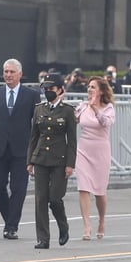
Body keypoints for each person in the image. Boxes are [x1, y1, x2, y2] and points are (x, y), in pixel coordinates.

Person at [0, 58, 41, 240]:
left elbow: (37, 124)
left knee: (18, 188)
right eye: (6, 72)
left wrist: (36, 150)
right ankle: (10, 219)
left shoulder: (31, 95)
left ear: (20, 74)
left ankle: (11, 226)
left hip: (22, 150)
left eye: (12, 72)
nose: (8, 75)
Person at [26, 73, 77, 249]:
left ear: (60, 90)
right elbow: (34, 137)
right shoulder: (39, 108)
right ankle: (43, 238)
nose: (48, 92)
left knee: (55, 198)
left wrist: (70, 164)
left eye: (51, 89)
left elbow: (72, 141)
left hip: (59, 160)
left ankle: (63, 227)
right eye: (45, 89)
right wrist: (30, 161)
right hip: (40, 158)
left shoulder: (68, 111)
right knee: (40, 199)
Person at [74, 76, 115, 241]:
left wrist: (96, 109)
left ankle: (101, 221)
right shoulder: (83, 107)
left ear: (101, 91)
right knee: (83, 187)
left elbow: (106, 123)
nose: (89, 90)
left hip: (100, 152)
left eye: (93, 87)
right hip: (83, 150)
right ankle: (86, 225)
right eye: (88, 87)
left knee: (100, 192)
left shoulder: (108, 108)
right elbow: (72, 120)